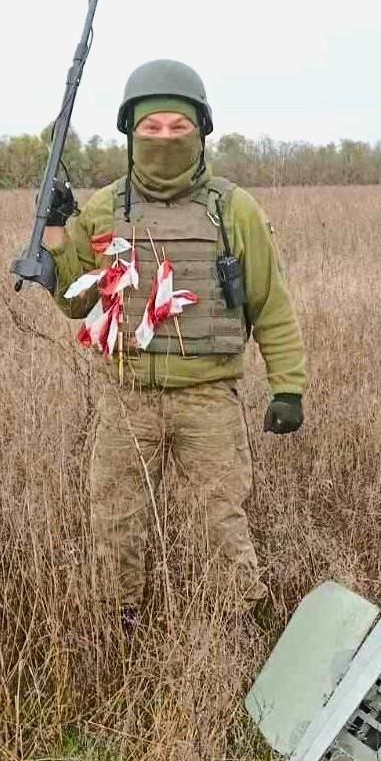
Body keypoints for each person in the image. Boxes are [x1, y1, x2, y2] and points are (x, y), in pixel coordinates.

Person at [43, 59, 306, 619]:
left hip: (208, 398)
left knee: (221, 520)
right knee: (115, 519)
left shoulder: (232, 209)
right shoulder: (105, 208)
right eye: (152, 126)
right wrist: (55, 231)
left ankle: (242, 620)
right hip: (127, 397)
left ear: (201, 130)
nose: (165, 137)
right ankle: (120, 625)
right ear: (130, 132)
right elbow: (75, 302)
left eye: (178, 126)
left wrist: (288, 388)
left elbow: (271, 304)